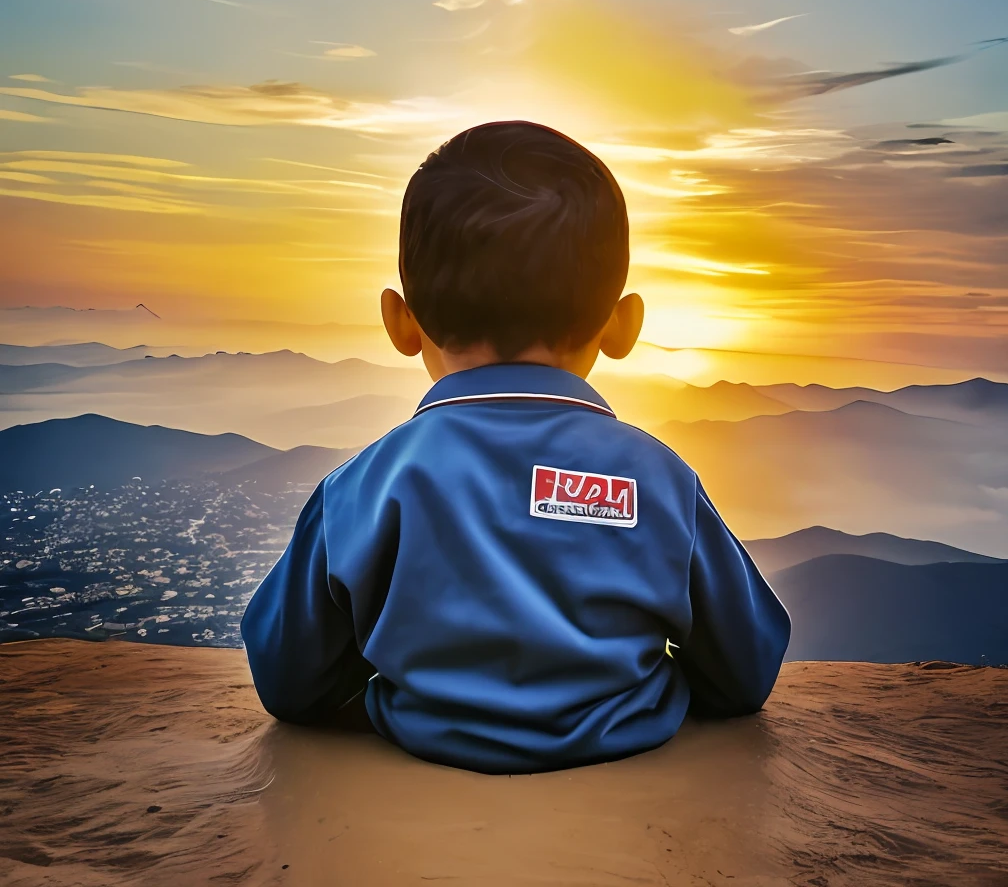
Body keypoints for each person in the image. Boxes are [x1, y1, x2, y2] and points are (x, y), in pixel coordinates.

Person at [241, 120, 791, 774]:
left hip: (423, 781)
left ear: (400, 321)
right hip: (623, 784)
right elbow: (747, 672)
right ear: (622, 326)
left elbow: (287, 683)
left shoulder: (366, 485)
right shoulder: (657, 480)